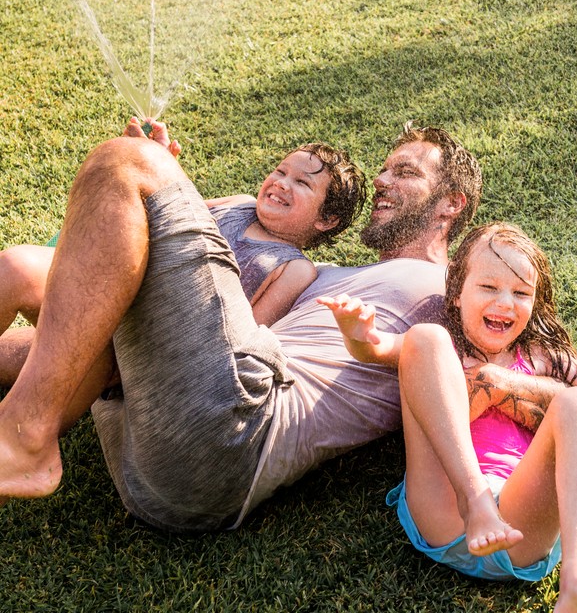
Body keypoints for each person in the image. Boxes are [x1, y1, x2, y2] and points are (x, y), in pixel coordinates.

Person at [0, 122, 500, 534]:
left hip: (238, 433)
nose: (381, 181)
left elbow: (525, 369)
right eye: (384, 170)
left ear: (451, 203)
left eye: (405, 172)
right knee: (101, 296)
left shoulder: (447, 289)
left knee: (127, 163)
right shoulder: (332, 275)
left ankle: (26, 432)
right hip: (156, 460)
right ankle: (22, 428)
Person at [319, 222, 577, 613]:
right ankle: (476, 502)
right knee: (426, 338)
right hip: (446, 507)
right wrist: (356, 331)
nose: (505, 302)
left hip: (521, 525)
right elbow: (375, 348)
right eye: (488, 287)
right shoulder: (446, 351)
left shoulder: (542, 357)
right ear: (456, 294)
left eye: (520, 293)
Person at [0, 118, 366, 332]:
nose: (282, 183)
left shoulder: (294, 269)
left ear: (326, 219)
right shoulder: (240, 204)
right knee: (12, 267)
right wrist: (157, 163)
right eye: (281, 171)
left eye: (303, 184)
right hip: (117, 286)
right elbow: (169, 210)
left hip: (151, 336)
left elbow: (245, 337)